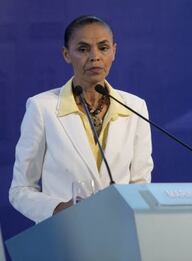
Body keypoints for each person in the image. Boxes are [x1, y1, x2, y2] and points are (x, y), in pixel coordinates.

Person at [9, 15, 153, 223]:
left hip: (119, 236)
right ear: (67, 54)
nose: (95, 57)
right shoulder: (42, 108)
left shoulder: (135, 107)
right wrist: (59, 209)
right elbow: (20, 190)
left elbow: (140, 184)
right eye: (83, 49)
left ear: (114, 51)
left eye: (103, 48)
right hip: (65, 236)